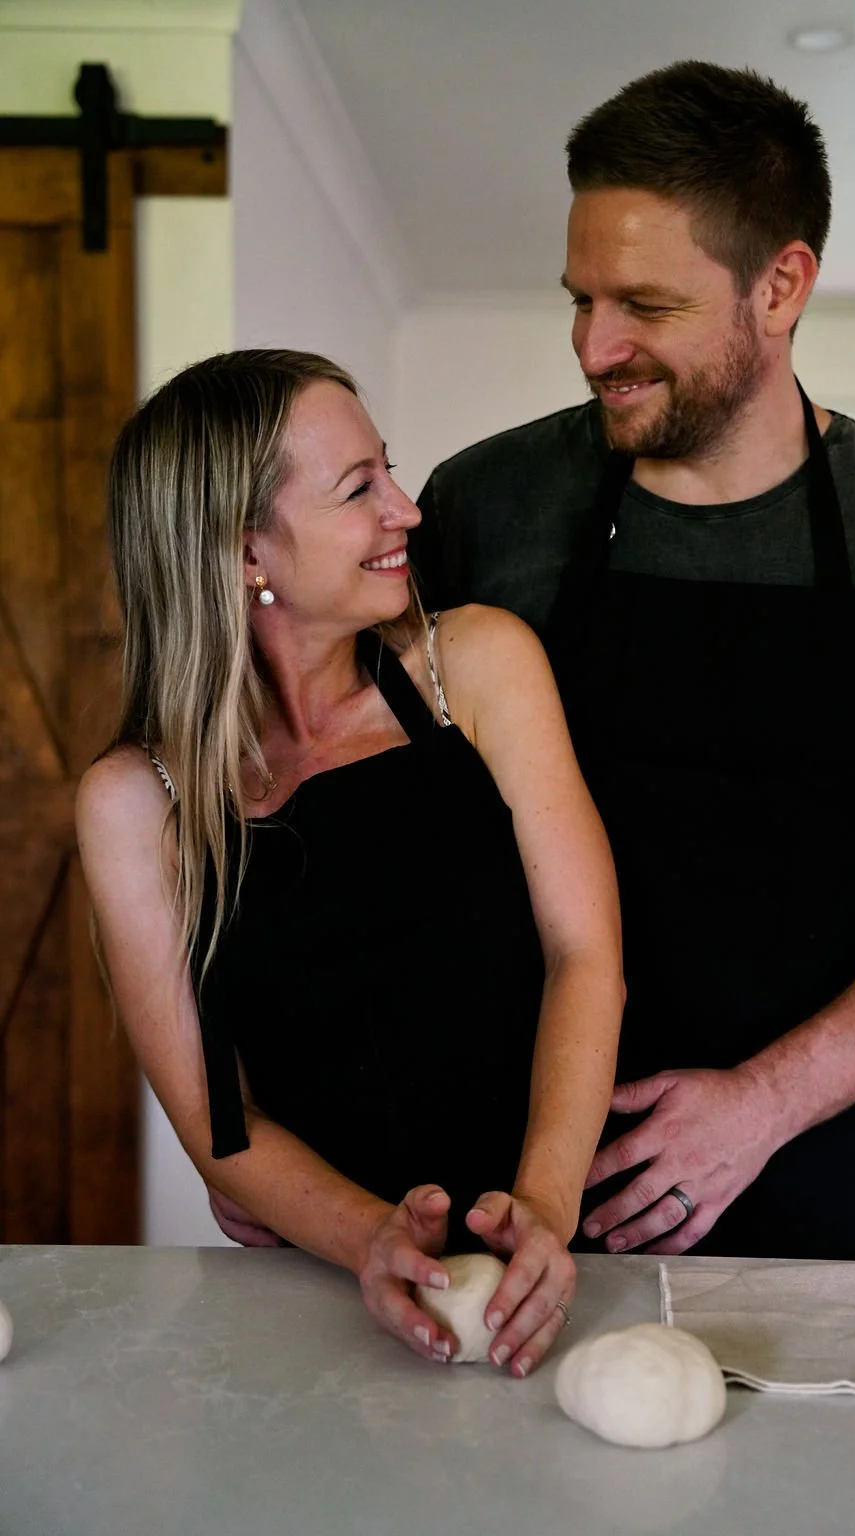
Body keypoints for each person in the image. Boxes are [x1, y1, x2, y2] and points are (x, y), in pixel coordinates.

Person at [410, 61, 855, 1261]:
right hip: (490, 1160)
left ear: (780, 284)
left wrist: (763, 1106)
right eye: (578, 299)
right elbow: (362, 811)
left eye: (643, 305)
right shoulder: (485, 506)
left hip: (799, 1170)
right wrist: (273, 1113)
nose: (594, 346)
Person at [76, 349, 623, 1376]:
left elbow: (584, 952)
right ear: (247, 553)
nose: (407, 510)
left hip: (549, 1264)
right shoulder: (135, 802)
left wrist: (545, 1208)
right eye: (358, 488)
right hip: (317, 1290)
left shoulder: (477, 667)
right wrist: (370, 1240)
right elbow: (216, 1120)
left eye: (391, 469)